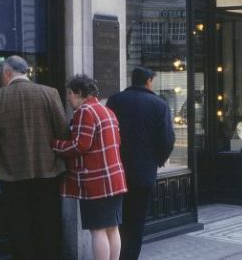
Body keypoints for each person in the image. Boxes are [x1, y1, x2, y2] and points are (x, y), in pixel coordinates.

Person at [0, 56, 67, 260]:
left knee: (19, 226)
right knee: (47, 223)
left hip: (12, 174)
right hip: (48, 171)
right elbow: (62, 131)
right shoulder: (50, 93)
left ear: (8, 73)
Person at [51, 74, 128, 260]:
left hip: (96, 183)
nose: (68, 98)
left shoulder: (85, 111)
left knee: (97, 231)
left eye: (69, 93)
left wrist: (55, 144)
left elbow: (80, 145)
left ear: (78, 93)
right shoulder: (106, 111)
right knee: (112, 228)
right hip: (114, 180)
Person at [106, 67, 175, 260]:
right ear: (148, 81)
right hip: (144, 173)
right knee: (136, 223)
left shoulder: (114, 101)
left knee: (118, 221)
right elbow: (167, 139)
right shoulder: (159, 104)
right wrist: (158, 160)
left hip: (116, 170)